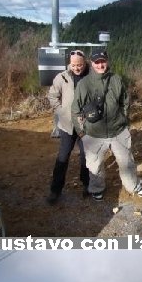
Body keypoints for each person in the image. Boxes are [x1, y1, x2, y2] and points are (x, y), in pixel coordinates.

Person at [73, 50, 142, 200]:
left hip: (117, 131)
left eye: (103, 61)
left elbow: (125, 102)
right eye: (97, 62)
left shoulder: (116, 79)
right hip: (93, 134)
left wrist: (124, 121)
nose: (100, 64)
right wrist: (81, 132)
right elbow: (76, 110)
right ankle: (96, 189)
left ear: (107, 61)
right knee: (95, 165)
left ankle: (133, 185)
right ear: (91, 63)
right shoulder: (84, 84)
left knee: (126, 162)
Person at [46, 50, 91, 204]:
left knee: (86, 157)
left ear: (85, 63)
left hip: (86, 126)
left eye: (80, 65)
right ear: (69, 64)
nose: (77, 68)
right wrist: (61, 111)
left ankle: (87, 185)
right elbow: (52, 96)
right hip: (67, 125)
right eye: (74, 65)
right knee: (63, 157)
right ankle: (55, 190)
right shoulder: (62, 77)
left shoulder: (91, 76)